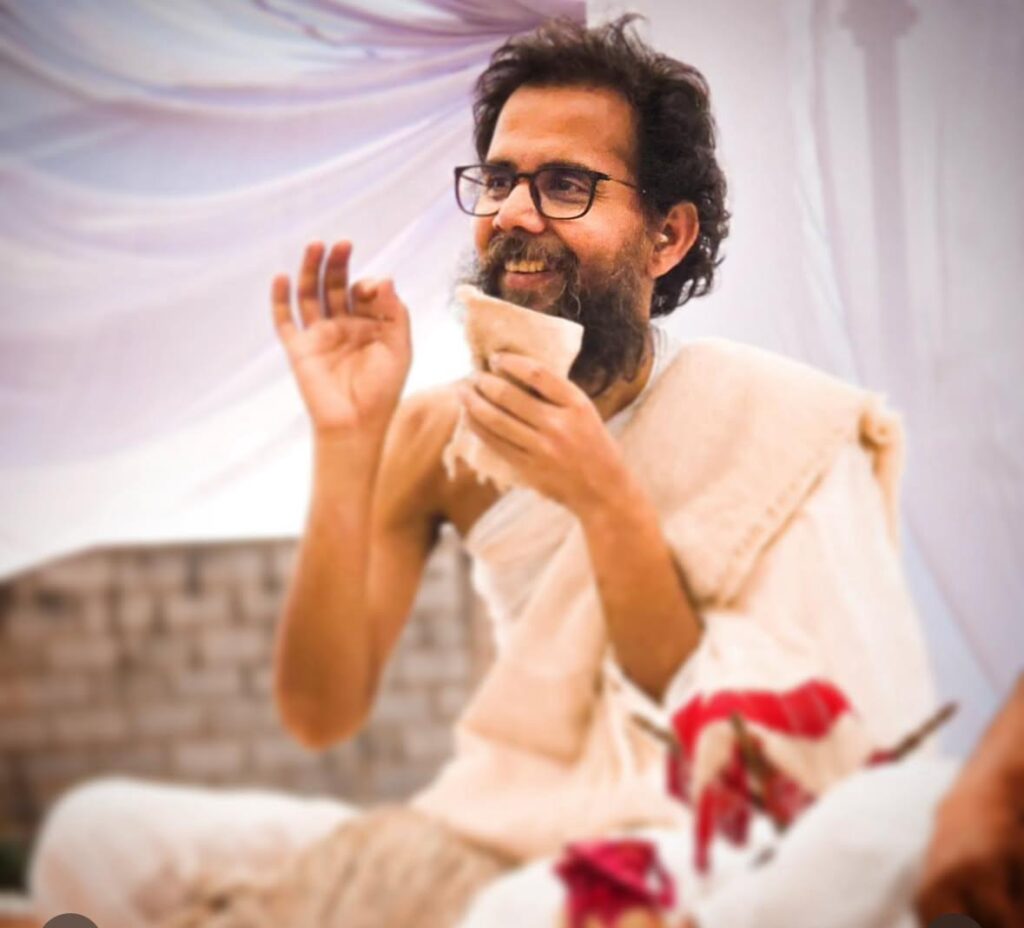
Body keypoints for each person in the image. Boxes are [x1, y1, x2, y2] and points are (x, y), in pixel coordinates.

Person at [29, 16, 939, 927]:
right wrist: (348, 440)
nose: (513, 213)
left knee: (541, 910)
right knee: (96, 837)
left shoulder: (765, 417)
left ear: (666, 237)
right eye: (499, 180)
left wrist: (604, 499)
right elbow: (320, 711)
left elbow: (759, 752)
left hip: (683, 834)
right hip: (502, 816)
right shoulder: (448, 433)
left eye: (566, 185)